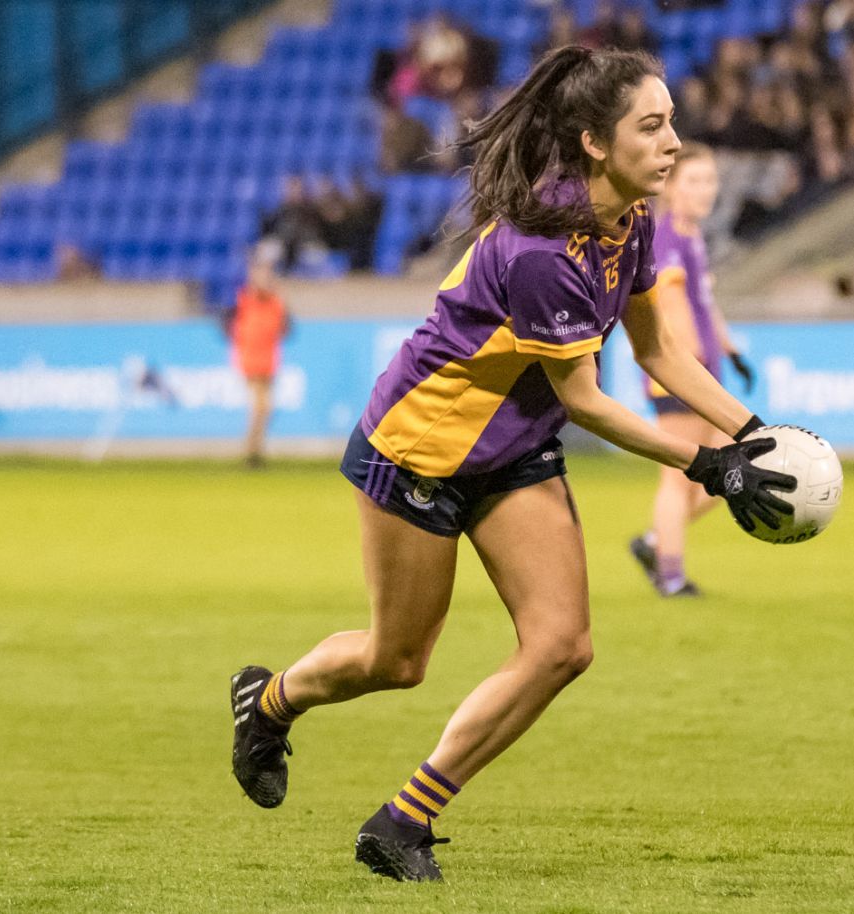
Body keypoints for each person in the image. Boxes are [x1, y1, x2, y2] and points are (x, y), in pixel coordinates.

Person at [228, 46, 794, 883]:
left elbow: (662, 352)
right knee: (398, 661)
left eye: (672, 120)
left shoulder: (630, 220)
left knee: (563, 645)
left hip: (512, 449)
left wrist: (755, 432)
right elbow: (588, 401)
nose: (674, 140)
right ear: (596, 142)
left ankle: (403, 822)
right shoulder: (543, 248)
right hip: (421, 447)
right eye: (653, 124)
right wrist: (712, 467)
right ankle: (267, 702)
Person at [627, 143, 755, 597]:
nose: (706, 190)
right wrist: (692, 371)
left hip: (702, 374)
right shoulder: (665, 240)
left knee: (735, 466)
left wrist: (730, 350)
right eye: (694, 181)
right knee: (680, 476)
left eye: (711, 180)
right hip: (681, 375)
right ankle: (671, 574)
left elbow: (705, 305)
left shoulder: (692, 237)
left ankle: (655, 543)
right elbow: (672, 314)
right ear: (671, 187)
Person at [226, 257, 291, 467]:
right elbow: (228, 324)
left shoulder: (276, 302)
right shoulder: (243, 300)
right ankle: (252, 450)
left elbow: (285, 328)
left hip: (268, 359)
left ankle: (254, 448)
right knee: (261, 406)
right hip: (251, 359)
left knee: (264, 408)